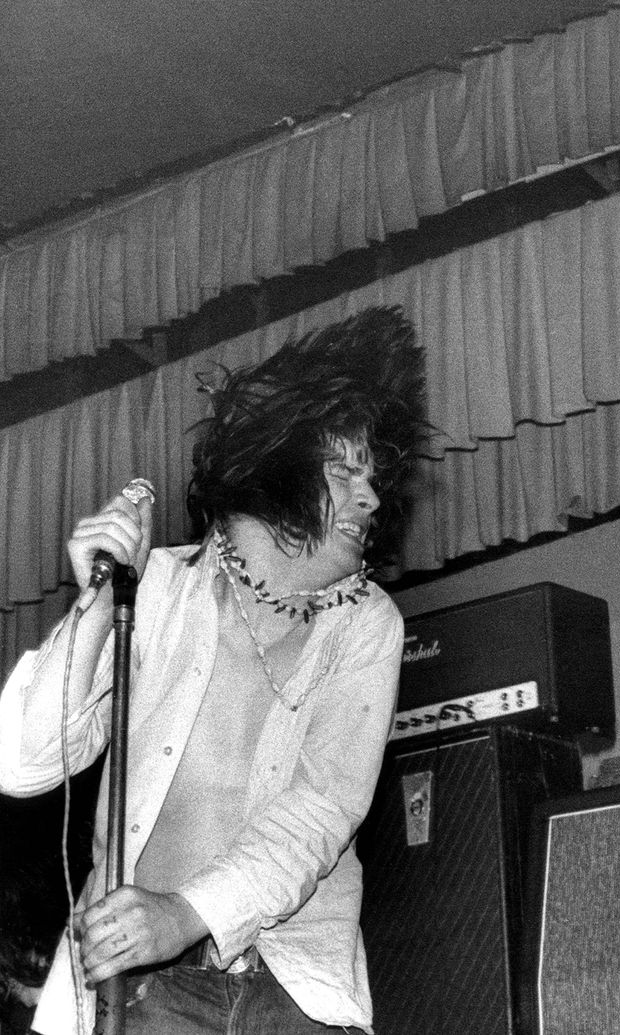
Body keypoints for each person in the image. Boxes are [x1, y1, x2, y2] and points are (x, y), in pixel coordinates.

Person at [0, 305, 430, 1035]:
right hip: (138, 991)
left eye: (375, 479)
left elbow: (318, 812)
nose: (373, 497)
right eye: (346, 471)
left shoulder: (366, 624)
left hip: (293, 994)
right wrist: (102, 601)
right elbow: (19, 759)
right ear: (281, 462)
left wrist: (185, 913)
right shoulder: (158, 589)